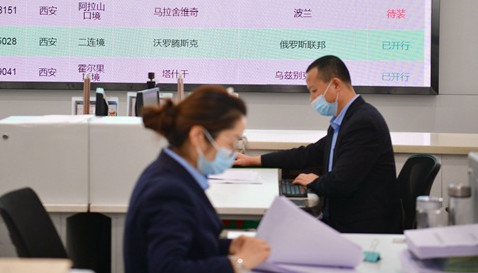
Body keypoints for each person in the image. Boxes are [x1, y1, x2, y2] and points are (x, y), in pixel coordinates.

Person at [235, 55, 402, 234]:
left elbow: (341, 183)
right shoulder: (343, 122)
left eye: (314, 91)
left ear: (336, 85)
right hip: (342, 220)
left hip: (362, 229)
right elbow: (308, 154)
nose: (312, 99)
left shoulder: (363, 123)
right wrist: (255, 160)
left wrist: (314, 181)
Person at [124, 85, 270, 273]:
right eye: (231, 141)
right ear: (198, 136)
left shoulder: (171, 171)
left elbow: (192, 246)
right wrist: (238, 264)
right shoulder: (170, 191)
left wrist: (230, 246)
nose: (233, 151)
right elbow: (167, 268)